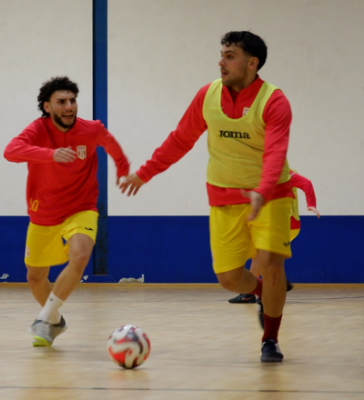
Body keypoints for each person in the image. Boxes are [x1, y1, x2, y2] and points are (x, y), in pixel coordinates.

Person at [120, 31, 293, 362]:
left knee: (272, 264)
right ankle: (261, 293)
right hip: (224, 195)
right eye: (222, 54)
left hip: (271, 196)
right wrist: (145, 173)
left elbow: (276, 152)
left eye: (230, 56)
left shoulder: (274, 101)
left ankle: (270, 340)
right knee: (229, 279)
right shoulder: (207, 95)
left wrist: (263, 189)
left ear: (252, 63)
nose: (221, 62)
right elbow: (180, 139)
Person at [4, 76, 129, 347]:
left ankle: (43, 317)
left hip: (81, 207)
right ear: (47, 106)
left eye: (72, 100)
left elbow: (112, 146)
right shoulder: (37, 129)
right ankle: (55, 321)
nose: (69, 106)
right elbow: (10, 151)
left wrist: (123, 169)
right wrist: (50, 154)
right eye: (61, 101)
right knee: (35, 278)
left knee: (80, 254)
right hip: (44, 212)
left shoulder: (91, 129)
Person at [229, 169, 320, 304]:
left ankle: (249, 293)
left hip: (285, 224)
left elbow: (306, 183)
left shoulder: (284, 173)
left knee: (259, 256)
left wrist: (311, 204)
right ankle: (277, 283)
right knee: (267, 257)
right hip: (279, 225)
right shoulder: (261, 175)